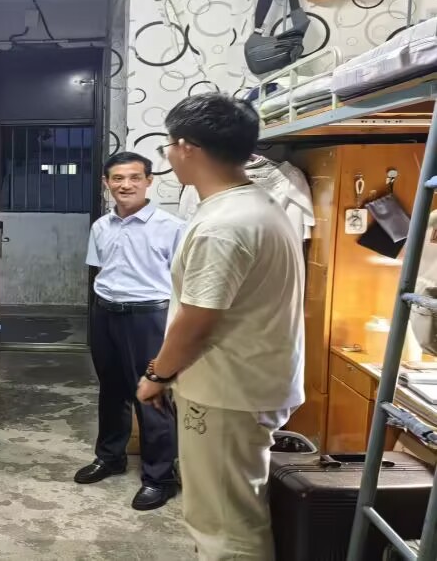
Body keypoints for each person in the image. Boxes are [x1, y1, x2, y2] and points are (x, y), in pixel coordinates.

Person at [137, 93, 304, 559]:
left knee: (225, 525)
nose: (169, 156)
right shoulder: (255, 204)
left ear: (186, 148)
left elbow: (197, 321)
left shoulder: (224, 225)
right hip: (248, 382)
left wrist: (157, 374)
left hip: (228, 392)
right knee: (232, 509)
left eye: (168, 145)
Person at [74, 152, 184, 511]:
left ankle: (160, 478)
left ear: (149, 181)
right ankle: (110, 457)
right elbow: (100, 270)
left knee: (151, 394)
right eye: (118, 178)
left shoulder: (172, 227)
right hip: (105, 313)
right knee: (111, 390)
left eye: (135, 177)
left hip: (149, 317)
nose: (126, 185)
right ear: (106, 183)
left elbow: (184, 282)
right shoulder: (101, 226)